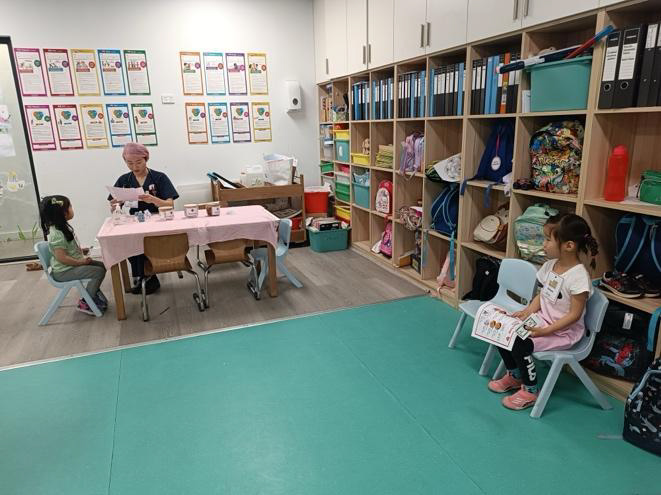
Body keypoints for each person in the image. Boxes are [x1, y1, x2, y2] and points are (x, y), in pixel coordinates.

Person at [488, 213, 599, 410]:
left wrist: (546, 331)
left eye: (548, 239)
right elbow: (543, 295)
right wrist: (527, 311)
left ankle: (530, 390)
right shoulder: (549, 266)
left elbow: (574, 315)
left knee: (520, 343)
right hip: (541, 320)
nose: (544, 244)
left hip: (563, 332)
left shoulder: (579, 277)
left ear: (569, 245)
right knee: (502, 330)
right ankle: (515, 375)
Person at [107, 142, 179, 294]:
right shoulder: (124, 180)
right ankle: (145, 276)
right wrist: (115, 205)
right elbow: (113, 206)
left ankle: (146, 277)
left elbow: (170, 204)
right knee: (129, 243)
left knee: (145, 243)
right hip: (134, 221)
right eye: (129, 163)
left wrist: (153, 199)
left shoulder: (159, 177)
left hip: (158, 220)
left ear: (146, 159)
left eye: (138, 162)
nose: (134, 167)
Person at [41, 195, 107, 315]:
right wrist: (80, 262)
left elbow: (68, 248)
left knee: (101, 266)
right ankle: (86, 302)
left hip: (69, 266)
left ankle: (92, 295)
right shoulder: (56, 234)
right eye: (70, 206)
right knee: (98, 272)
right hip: (64, 271)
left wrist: (81, 251)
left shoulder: (63, 228)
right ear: (62, 213)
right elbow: (62, 258)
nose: (72, 208)